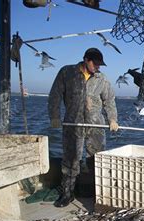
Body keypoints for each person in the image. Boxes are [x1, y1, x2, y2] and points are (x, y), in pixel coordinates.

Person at [48, 47, 119, 207]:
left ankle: (98, 193)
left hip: (96, 126)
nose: (98, 67)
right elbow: (55, 95)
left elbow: (109, 101)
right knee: (70, 159)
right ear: (86, 60)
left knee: (96, 159)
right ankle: (67, 194)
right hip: (73, 124)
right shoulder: (67, 73)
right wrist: (54, 116)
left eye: (100, 65)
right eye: (96, 63)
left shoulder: (102, 79)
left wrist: (112, 119)